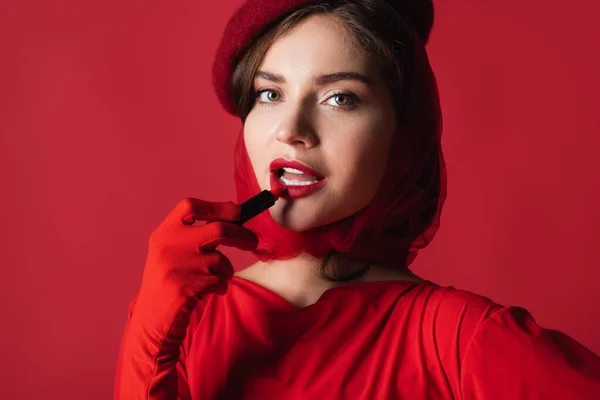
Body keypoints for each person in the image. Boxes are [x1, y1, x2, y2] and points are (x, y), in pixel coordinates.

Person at [113, 0, 600, 399]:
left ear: (404, 136)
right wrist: (150, 335)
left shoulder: (460, 342)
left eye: (340, 98)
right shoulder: (185, 323)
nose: (290, 130)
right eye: (268, 95)